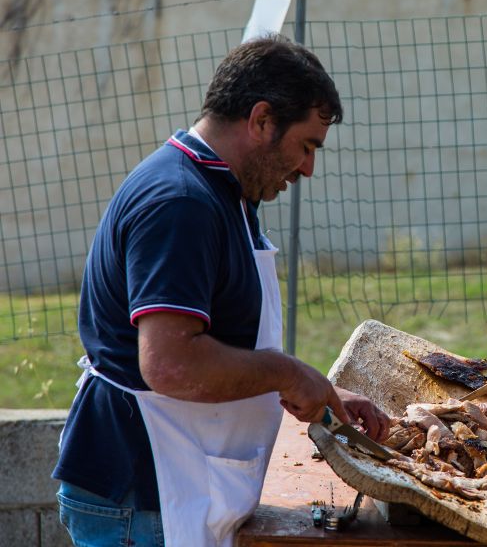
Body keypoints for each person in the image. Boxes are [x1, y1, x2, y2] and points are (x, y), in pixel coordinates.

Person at [53, 35, 391, 547]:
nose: (307, 169)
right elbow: (170, 364)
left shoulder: (224, 193)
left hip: (177, 486)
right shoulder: (180, 202)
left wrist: (317, 391)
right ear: (260, 121)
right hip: (141, 498)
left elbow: (224, 344)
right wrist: (285, 371)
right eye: (306, 146)